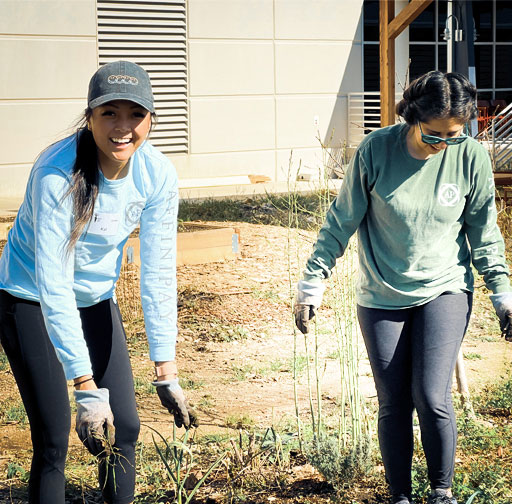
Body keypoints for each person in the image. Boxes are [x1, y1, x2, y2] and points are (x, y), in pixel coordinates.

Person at [294, 71, 512, 504]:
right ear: (413, 118)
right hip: (381, 292)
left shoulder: (470, 157)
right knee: (394, 400)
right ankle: (399, 496)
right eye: (435, 135)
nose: (444, 144)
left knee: (431, 395)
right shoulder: (377, 151)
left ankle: (441, 493)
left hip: (445, 286)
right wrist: (311, 282)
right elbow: (341, 221)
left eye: (455, 135)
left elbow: (484, 233)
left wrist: (503, 295)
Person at [0, 60, 197, 504]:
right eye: (109, 113)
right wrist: (85, 386)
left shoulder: (157, 175)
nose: (122, 127)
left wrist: (165, 368)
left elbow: (159, 271)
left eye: (135, 114)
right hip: (29, 298)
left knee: (124, 428)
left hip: (93, 299)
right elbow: (53, 282)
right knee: (54, 440)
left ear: (151, 119)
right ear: (89, 117)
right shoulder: (57, 174)